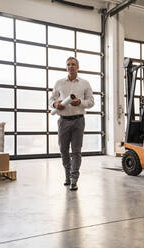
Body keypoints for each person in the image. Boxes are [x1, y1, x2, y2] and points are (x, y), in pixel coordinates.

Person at [49, 57, 94, 191]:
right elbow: (51, 99)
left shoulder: (85, 83)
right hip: (63, 120)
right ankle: (67, 175)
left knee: (76, 151)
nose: (71, 66)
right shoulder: (59, 83)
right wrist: (55, 104)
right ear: (66, 67)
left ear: (78, 67)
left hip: (78, 121)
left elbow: (91, 101)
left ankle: (74, 179)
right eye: (68, 64)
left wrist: (80, 102)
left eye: (73, 64)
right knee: (63, 150)